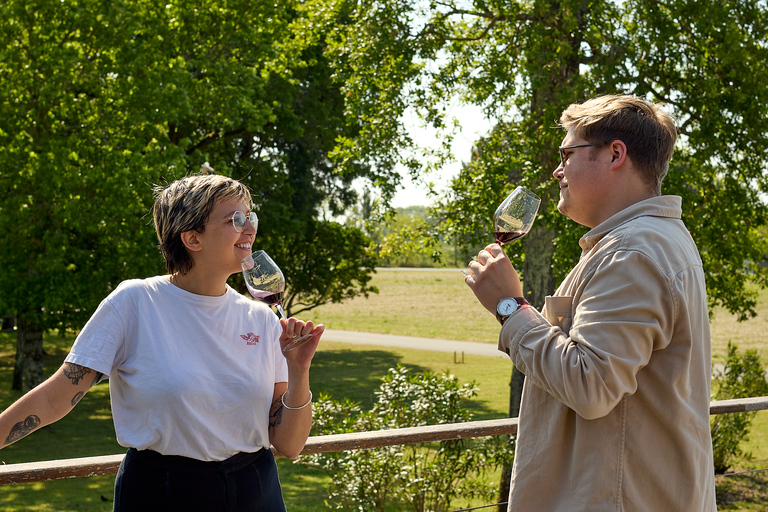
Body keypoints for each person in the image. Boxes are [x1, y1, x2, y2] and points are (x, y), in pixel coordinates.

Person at [0, 173, 323, 511]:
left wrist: (299, 370)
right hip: (162, 490)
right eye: (236, 219)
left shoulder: (260, 318)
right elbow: (56, 397)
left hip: (255, 488)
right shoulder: (134, 302)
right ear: (192, 238)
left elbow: (290, 444)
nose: (250, 228)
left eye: (251, 216)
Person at [464, 95, 716, 511]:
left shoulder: (632, 252)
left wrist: (509, 307)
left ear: (615, 153)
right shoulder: (642, 242)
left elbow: (590, 384)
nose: (557, 169)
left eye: (568, 153)